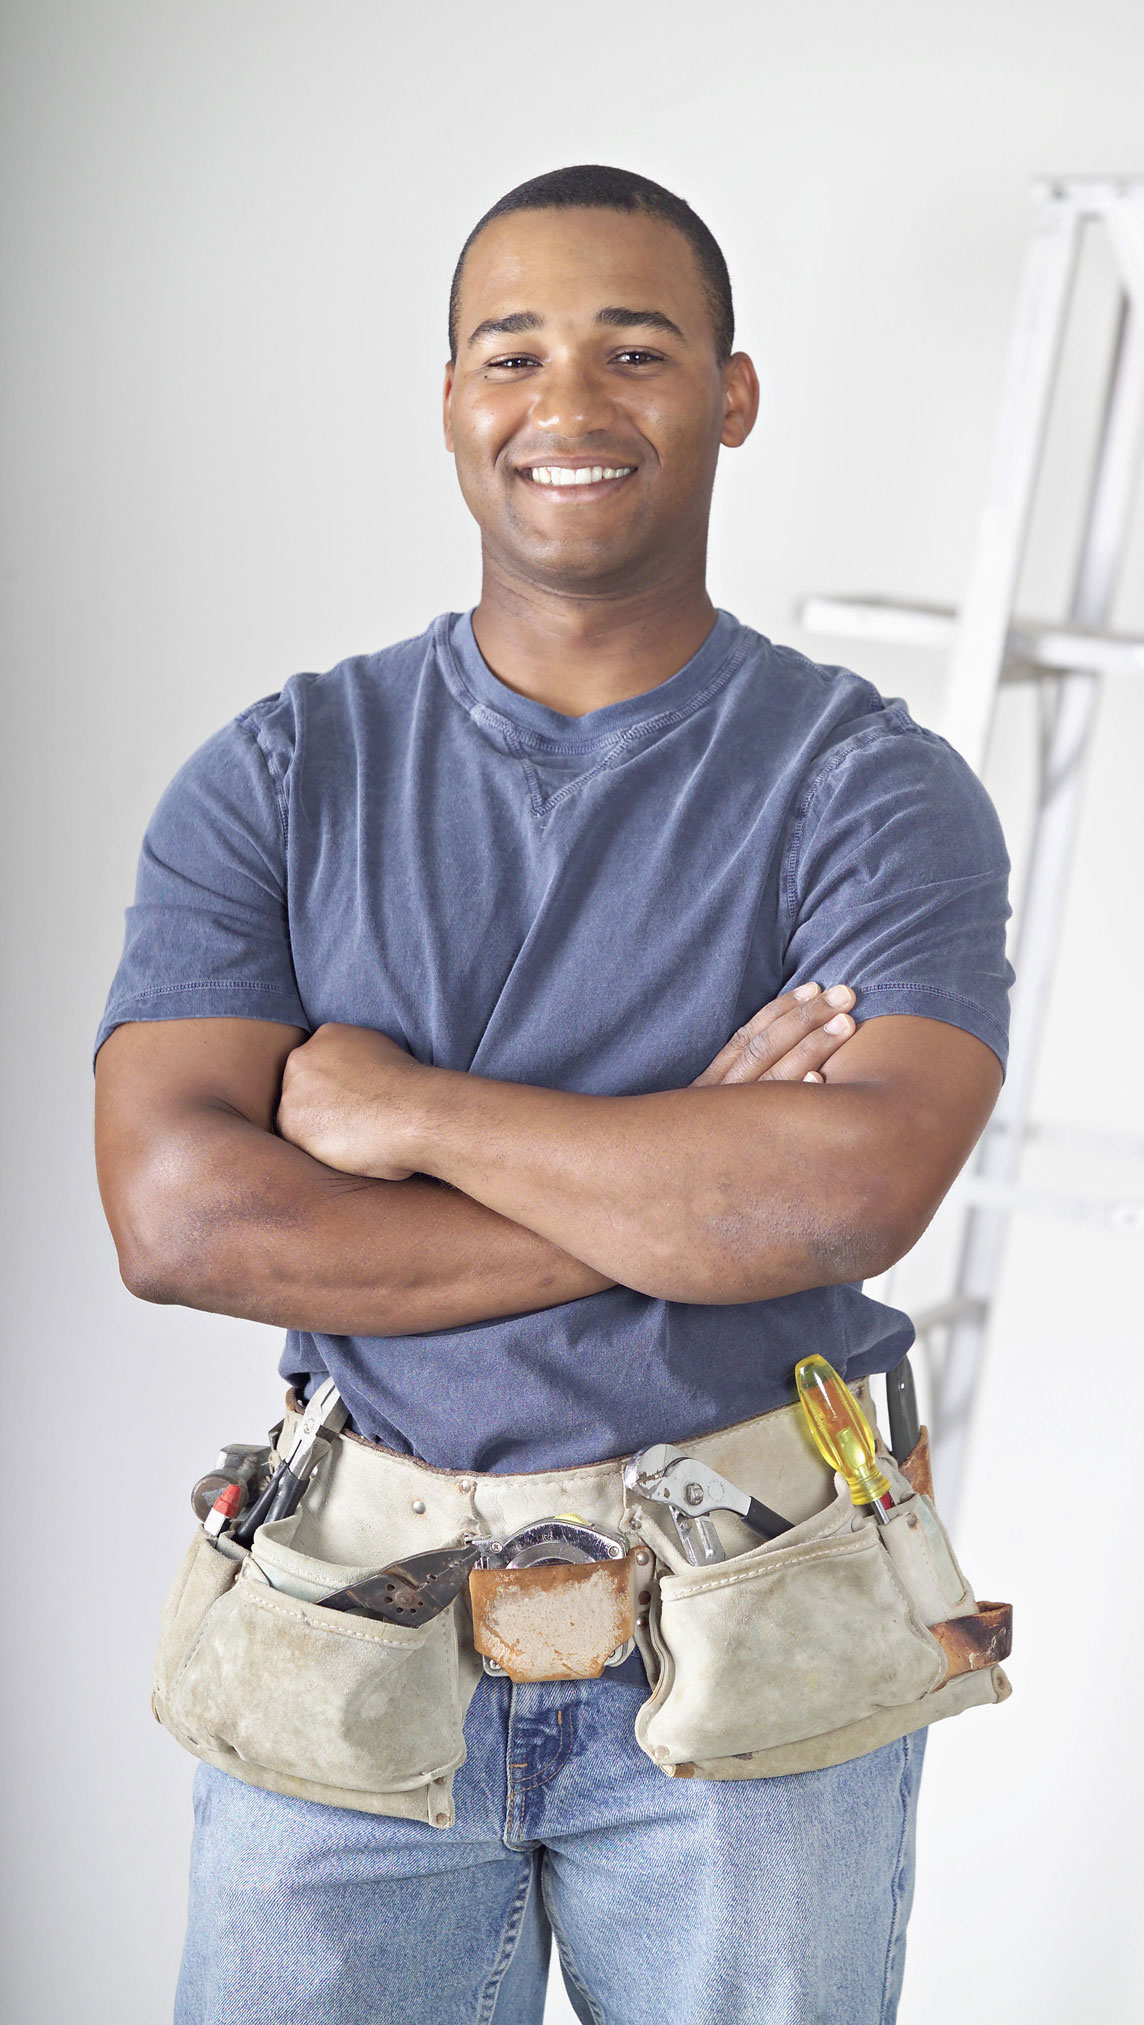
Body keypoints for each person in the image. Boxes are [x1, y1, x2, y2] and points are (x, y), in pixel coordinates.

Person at [94, 164, 1013, 2025]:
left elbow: (847, 1194)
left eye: (635, 349)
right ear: (450, 400)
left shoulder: (867, 790)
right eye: (510, 352)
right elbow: (182, 1219)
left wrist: (408, 1110)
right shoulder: (280, 775)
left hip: (755, 1632)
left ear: (731, 394)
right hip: (356, 1628)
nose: (568, 404)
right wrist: (680, 1174)